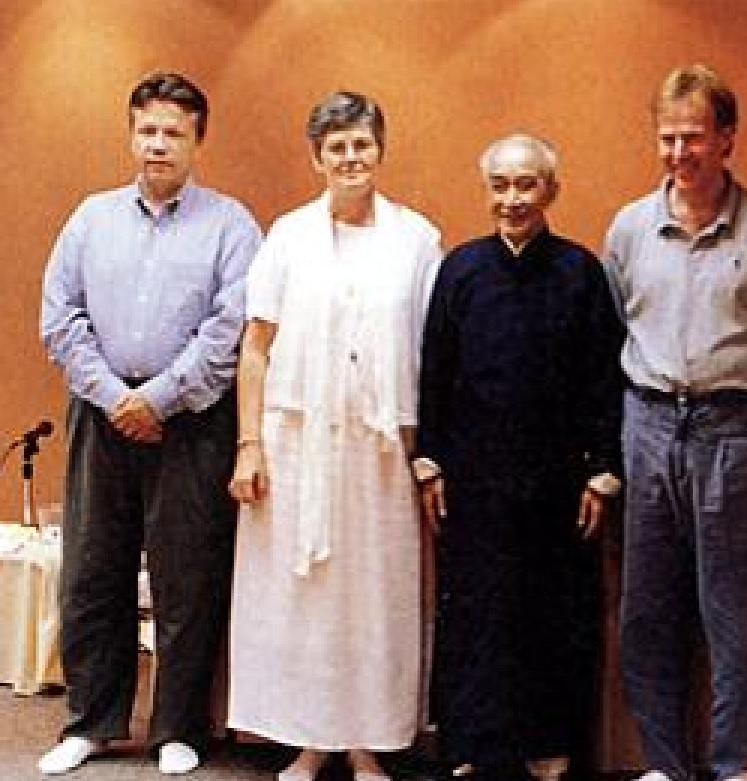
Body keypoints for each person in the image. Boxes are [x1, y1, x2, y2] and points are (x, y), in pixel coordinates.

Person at [38, 72, 261, 776]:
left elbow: (229, 329)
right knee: (91, 571)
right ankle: (92, 723)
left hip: (190, 422)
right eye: (148, 130)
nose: (158, 144)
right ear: (131, 134)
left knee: (186, 578)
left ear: (198, 141)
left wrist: (159, 398)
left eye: (174, 132)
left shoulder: (231, 225)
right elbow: (60, 318)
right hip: (101, 414)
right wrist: (115, 397)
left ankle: (177, 729)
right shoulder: (90, 219)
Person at [603, 64, 747, 781]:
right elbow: (617, 329)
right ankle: (665, 763)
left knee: (729, 608)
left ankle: (731, 764)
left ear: (727, 137)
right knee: (646, 608)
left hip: (733, 426)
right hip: (648, 423)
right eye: (667, 137)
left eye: (693, 137)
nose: (678, 152)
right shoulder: (630, 228)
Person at [225, 91, 441, 781]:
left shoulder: (416, 240)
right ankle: (310, 742)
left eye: (362, 144)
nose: (351, 158)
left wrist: (429, 455)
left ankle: (367, 744)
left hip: (380, 452)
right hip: (299, 447)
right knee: (307, 599)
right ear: (317, 158)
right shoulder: (287, 237)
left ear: (381, 150)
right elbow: (255, 347)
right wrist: (250, 445)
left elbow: (434, 351)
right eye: (337, 147)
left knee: (374, 599)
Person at [416, 133, 624, 781]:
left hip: (557, 480)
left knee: (552, 613)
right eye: (500, 185)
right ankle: (475, 743)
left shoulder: (581, 272)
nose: (512, 199)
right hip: (473, 478)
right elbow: (434, 370)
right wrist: (429, 460)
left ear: (550, 190)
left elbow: (605, 378)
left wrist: (603, 470)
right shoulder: (461, 269)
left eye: (526, 184)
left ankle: (548, 744)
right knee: (477, 610)